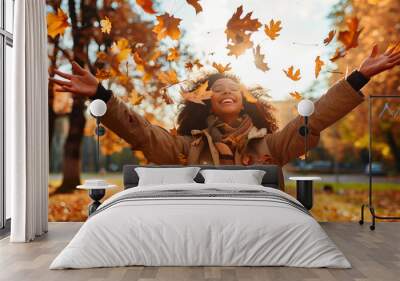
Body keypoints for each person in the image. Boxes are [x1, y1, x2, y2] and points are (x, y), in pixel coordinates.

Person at [50, 44, 400, 190]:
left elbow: (317, 118)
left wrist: (358, 77)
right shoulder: (182, 147)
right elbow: (140, 132)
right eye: (217, 89)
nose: (226, 91)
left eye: (233, 87)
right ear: (207, 103)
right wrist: (102, 95)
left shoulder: (272, 144)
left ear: (245, 100)